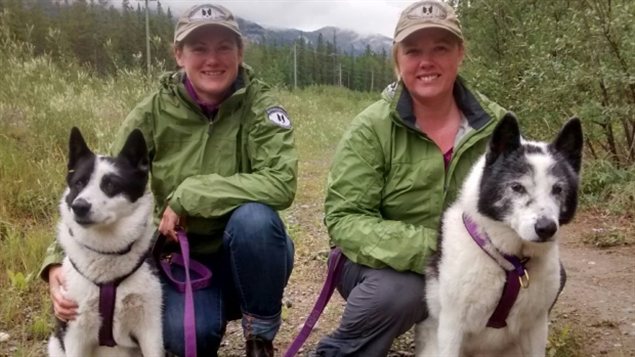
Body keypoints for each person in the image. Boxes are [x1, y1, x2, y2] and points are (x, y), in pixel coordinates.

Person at [39, 4, 297, 356]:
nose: (212, 59)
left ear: (240, 53)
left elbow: (281, 183)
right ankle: (205, 319)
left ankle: (259, 337)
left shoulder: (261, 106)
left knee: (256, 220)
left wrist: (191, 193)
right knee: (183, 338)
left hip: (248, 254)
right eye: (198, 48)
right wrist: (56, 262)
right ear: (179, 55)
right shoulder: (152, 112)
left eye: (224, 47)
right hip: (182, 258)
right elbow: (97, 184)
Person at [313, 1, 508, 356]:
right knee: (397, 293)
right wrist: (437, 248)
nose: (426, 62)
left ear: (460, 53)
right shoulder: (370, 129)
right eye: (413, 50)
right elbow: (345, 219)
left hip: (474, 258)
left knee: (544, 276)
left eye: (440, 48)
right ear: (396, 58)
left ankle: (477, 343)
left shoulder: (497, 126)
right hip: (381, 267)